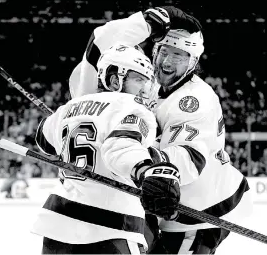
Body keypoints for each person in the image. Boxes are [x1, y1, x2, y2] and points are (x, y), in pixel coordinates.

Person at [69, 7, 253, 254]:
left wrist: (136, 159)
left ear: (193, 62)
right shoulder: (147, 82)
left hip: (199, 210)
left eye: (178, 55)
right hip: (160, 202)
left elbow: (188, 158)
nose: (166, 62)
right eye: (163, 51)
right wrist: (143, 22)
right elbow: (100, 43)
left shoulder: (194, 99)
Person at [32, 44, 181, 254]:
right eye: (139, 79)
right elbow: (121, 145)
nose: (145, 88)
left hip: (57, 226)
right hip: (109, 227)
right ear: (114, 80)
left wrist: (66, 116)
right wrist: (145, 170)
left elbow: (43, 140)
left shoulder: (69, 107)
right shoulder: (133, 108)